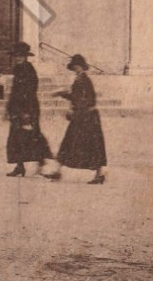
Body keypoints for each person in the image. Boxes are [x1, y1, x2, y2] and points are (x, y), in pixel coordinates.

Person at [44, 55, 107, 184]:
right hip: (84, 116)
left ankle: (99, 174)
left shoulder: (83, 80)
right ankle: (57, 171)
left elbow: (84, 99)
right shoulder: (80, 79)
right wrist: (65, 96)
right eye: (74, 67)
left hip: (86, 117)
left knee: (90, 145)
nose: (75, 68)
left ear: (82, 67)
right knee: (70, 143)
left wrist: (71, 106)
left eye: (77, 66)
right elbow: (77, 97)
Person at [6, 41, 53, 177]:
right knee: (16, 137)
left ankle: (42, 161)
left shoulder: (29, 70)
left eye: (21, 56)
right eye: (16, 56)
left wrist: (26, 112)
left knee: (32, 136)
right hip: (17, 108)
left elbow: (31, 91)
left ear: (26, 56)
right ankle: (19, 166)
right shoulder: (18, 69)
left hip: (28, 108)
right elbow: (15, 91)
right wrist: (10, 108)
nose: (18, 58)